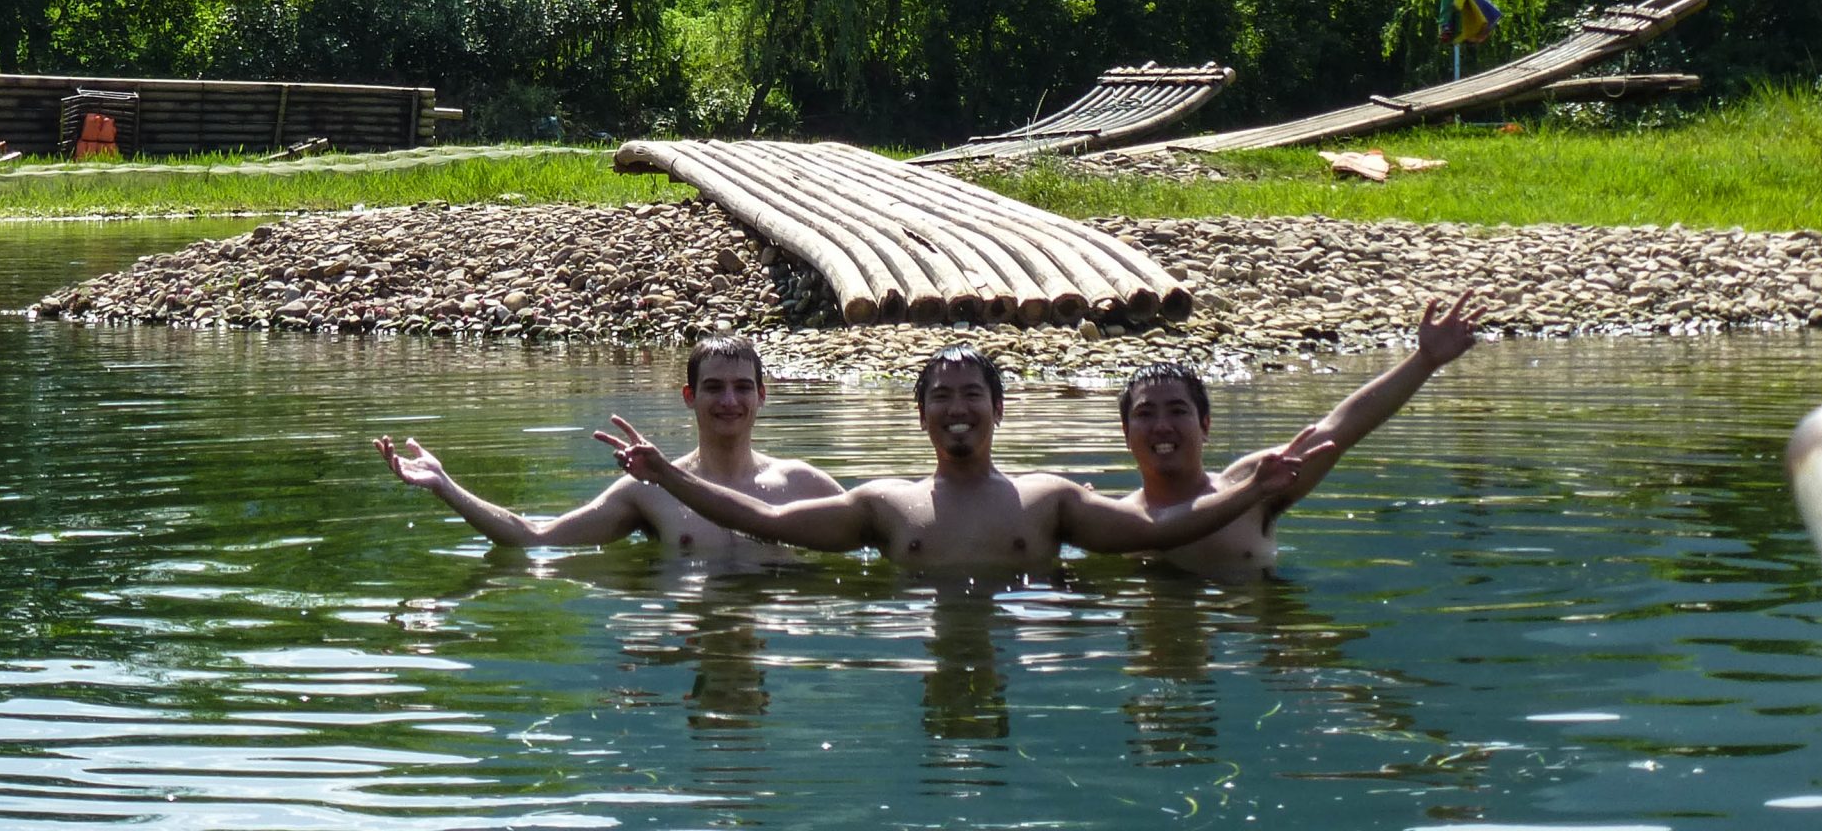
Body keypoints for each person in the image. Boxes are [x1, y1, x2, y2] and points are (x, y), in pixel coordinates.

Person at [595, 345, 1331, 570]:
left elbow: (1156, 533)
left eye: (972, 395)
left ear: (998, 410)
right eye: (941, 397)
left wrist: (1245, 495)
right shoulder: (881, 505)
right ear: (920, 417)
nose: (957, 408)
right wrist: (666, 475)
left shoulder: (1050, 498)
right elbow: (763, 518)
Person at [1117, 289, 1488, 573]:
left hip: (1253, 651)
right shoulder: (1110, 520)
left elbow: (1339, 429)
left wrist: (1423, 362)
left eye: (1178, 411)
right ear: (1125, 432)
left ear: (1205, 425)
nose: (1162, 426)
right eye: (1146, 414)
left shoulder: (1253, 486)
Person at [375, 334, 839, 556]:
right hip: (694, 629)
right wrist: (446, 487)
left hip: (775, 624)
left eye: (742, 387)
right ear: (689, 397)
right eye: (714, 388)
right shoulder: (650, 492)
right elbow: (537, 540)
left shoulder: (802, 484)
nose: (730, 401)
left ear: (763, 395)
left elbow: (888, 545)